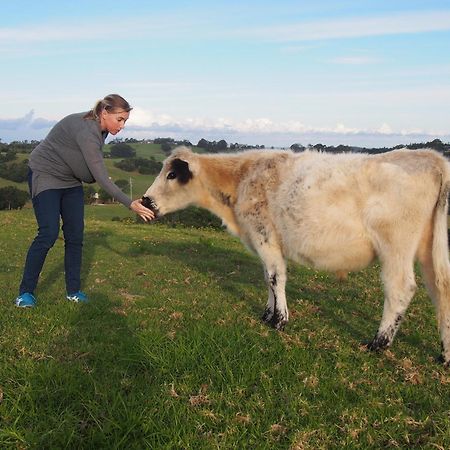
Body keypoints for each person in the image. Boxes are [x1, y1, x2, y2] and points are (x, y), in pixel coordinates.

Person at [14, 94, 154, 307]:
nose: (123, 125)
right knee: (48, 233)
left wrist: (86, 175)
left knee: (75, 236)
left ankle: (73, 291)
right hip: (46, 176)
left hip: (70, 182)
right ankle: (25, 293)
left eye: (125, 120)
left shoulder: (102, 129)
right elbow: (97, 175)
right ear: (104, 112)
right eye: (120, 119)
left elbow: (87, 171)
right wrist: (129, 202)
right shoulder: (87, 131)